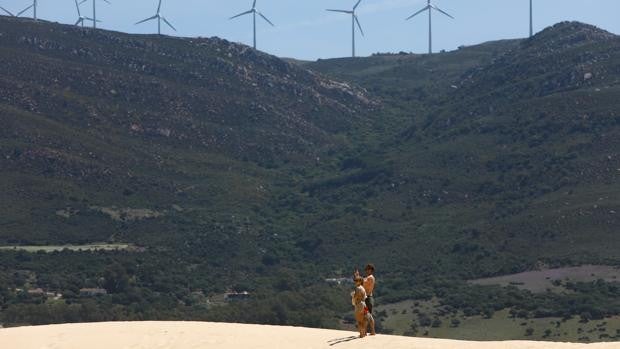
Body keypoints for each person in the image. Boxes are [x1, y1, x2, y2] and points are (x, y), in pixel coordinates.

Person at [354, 264, 376, 335]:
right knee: (366, 315)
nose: (366, 270)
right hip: (367, 298)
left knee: (368, 315)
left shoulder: (370, 277)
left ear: (371, 270)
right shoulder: (369, 277)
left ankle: (370, 331)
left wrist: (357, 276)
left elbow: (362, 282)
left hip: (368, 299)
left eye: (367, 269)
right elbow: (361, 281)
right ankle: (367, 331)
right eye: (366, 269)